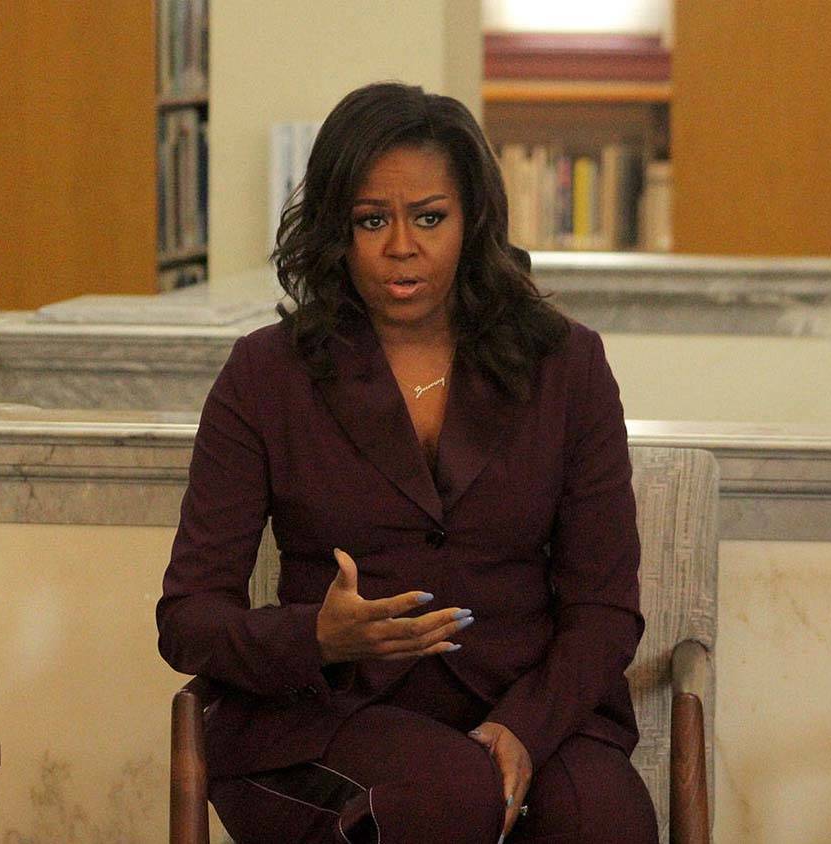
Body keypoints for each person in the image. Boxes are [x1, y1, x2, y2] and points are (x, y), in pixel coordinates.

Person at [157, 81, 657, 843]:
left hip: (527, 695)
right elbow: (188, 618)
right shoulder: (267, 375)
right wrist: (315, 638)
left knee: (605, 820)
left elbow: (604, 606)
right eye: (370, 220)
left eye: (430, 217)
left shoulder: (567, 365)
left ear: (473, 219)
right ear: (335, 229)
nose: (402, 247)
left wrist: (525, 725)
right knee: (445, 797)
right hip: (329, 715)